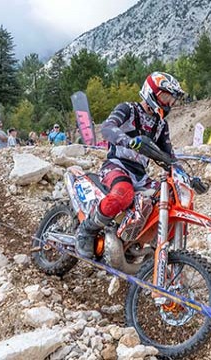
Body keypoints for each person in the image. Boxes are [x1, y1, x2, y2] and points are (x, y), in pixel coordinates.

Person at [75, 72, 185, 258]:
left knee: (170, 197)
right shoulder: (128, 109)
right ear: (151, 92)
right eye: (165, 97)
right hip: (116, 165)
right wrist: (127, 141)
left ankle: (146, 243)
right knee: (123, 195)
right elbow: (107, 128)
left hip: (140, 174)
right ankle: (86, 230)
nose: (169, 103)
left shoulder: (161, 125)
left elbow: (169, 155)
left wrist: (184, 174)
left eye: (171, 99)